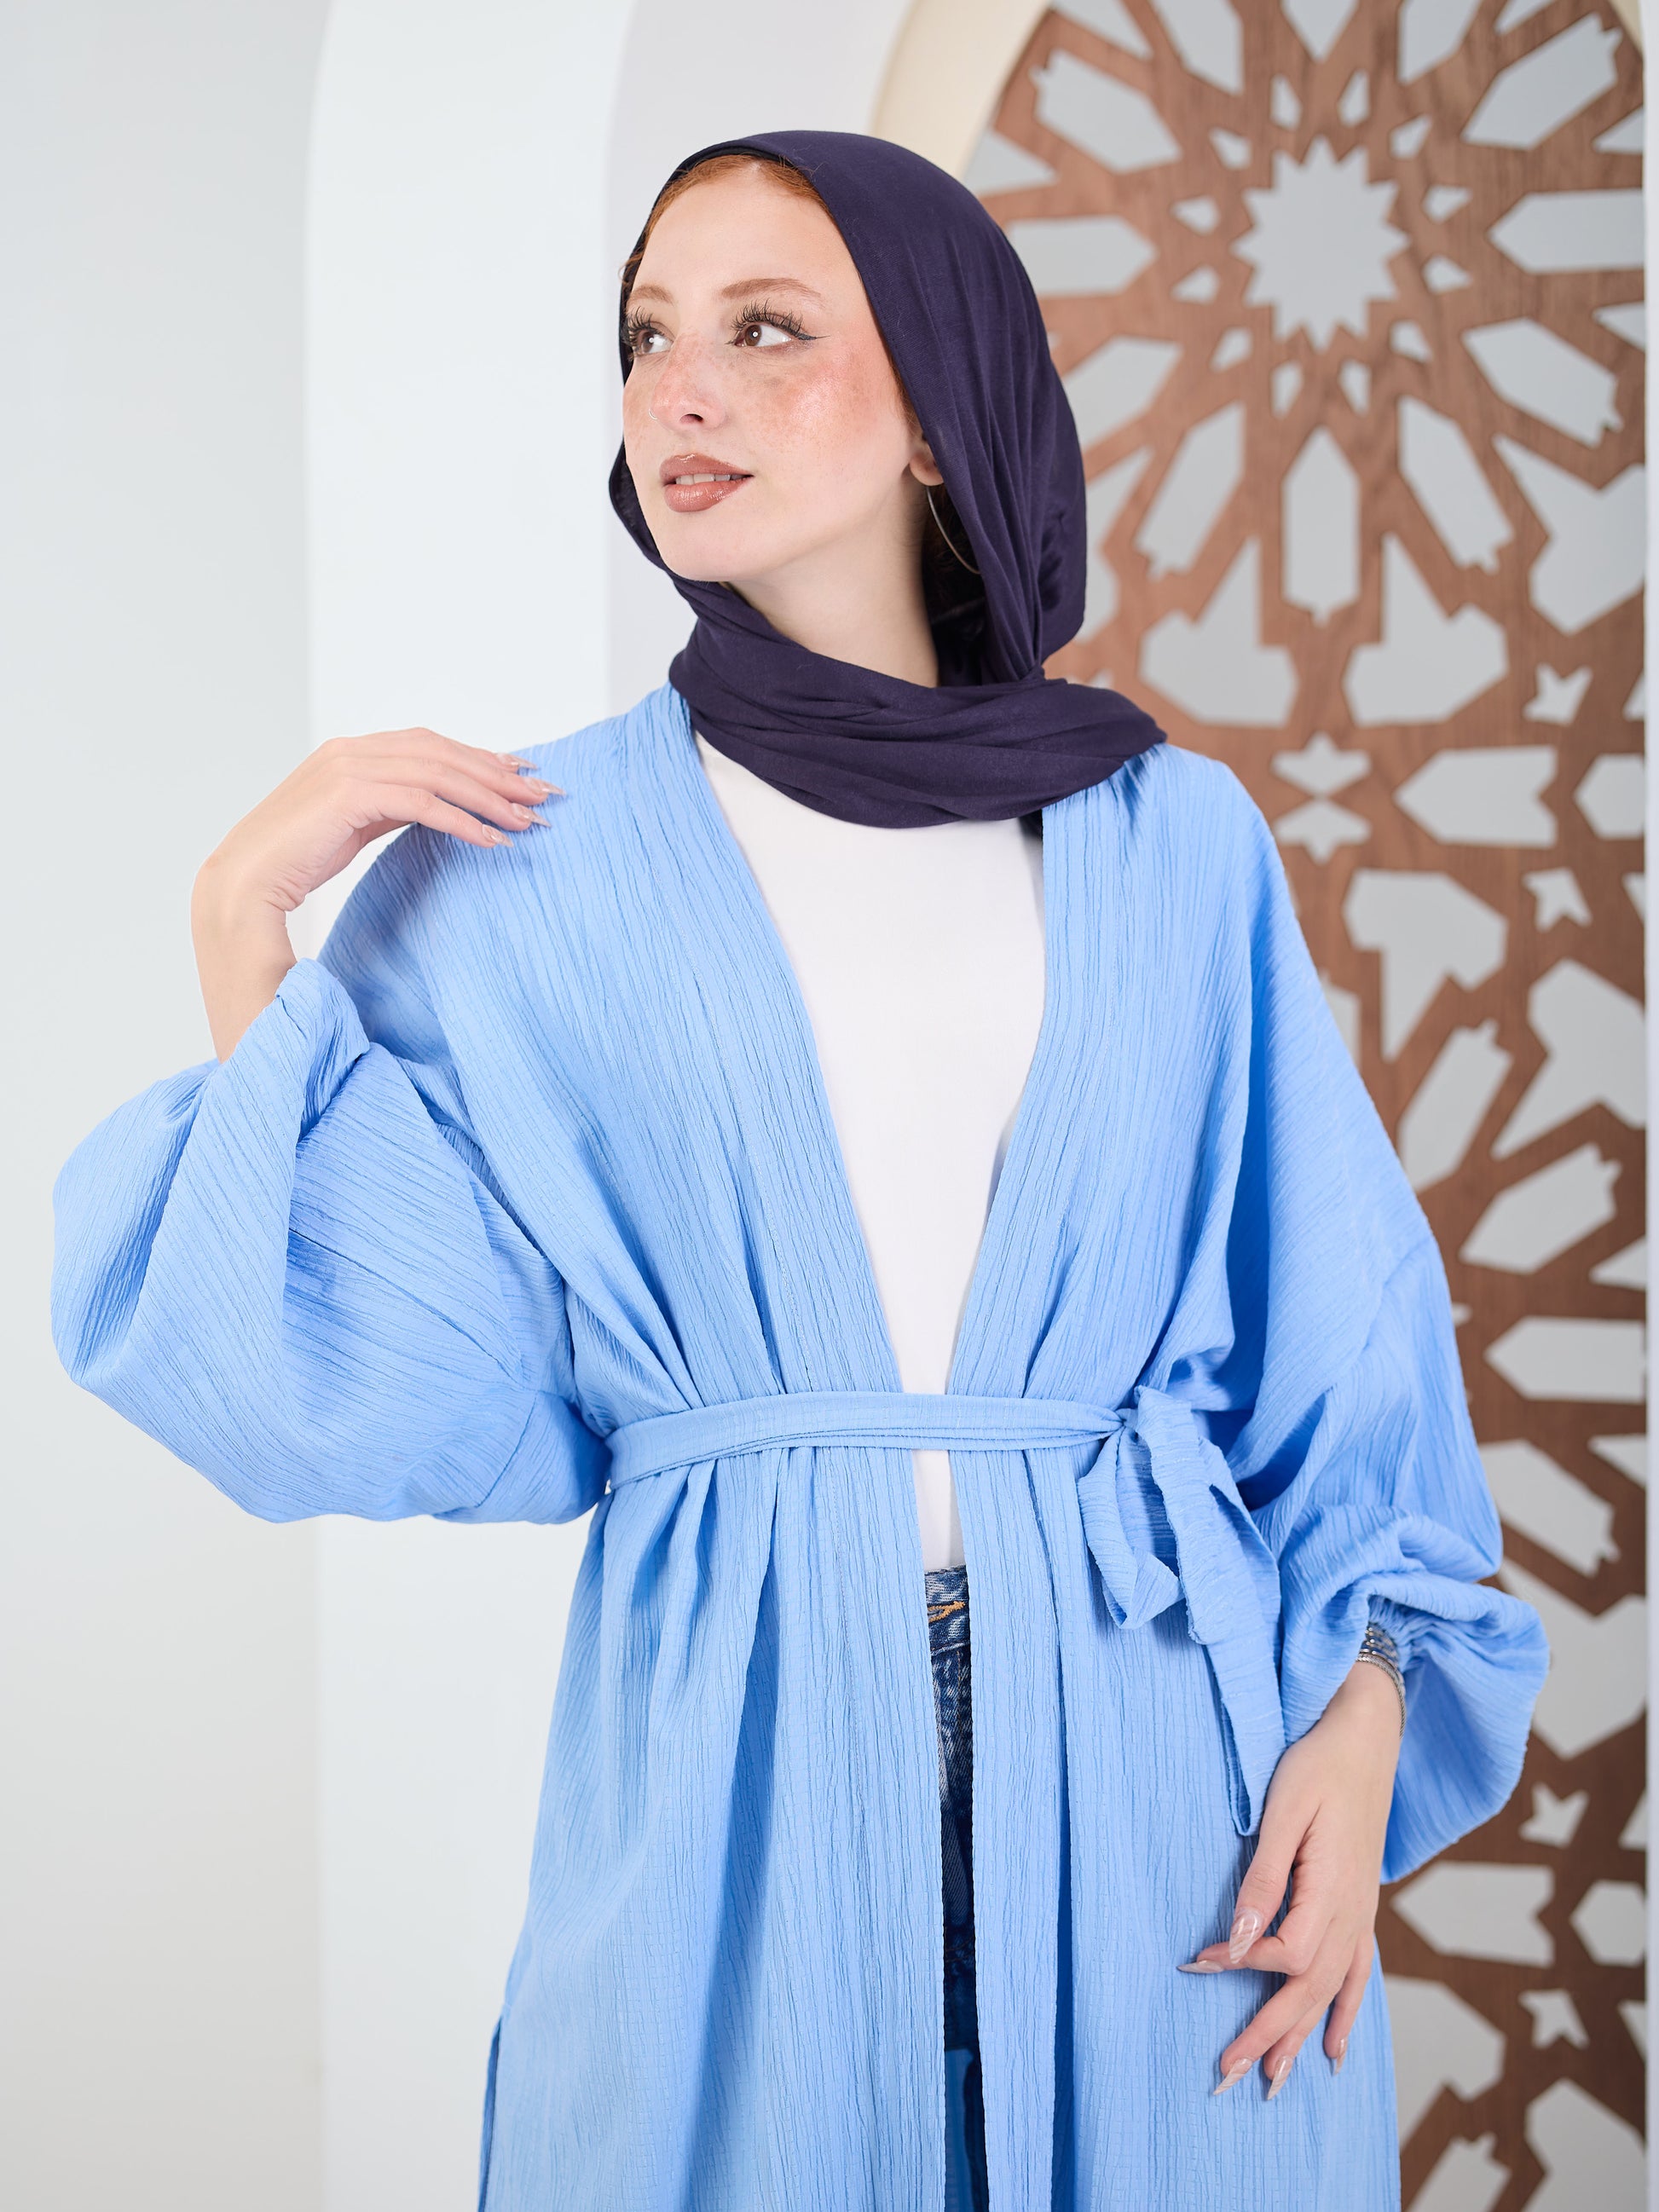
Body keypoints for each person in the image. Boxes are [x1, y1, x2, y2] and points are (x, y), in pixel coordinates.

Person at [52, 132, 1547, 2211]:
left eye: (765, 330)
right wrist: (243, 924)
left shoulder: (1170, 842)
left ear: (937, 410)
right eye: (647, 336)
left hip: (1161, 1756)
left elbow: (1339, 1335)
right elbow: (354, 1375)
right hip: (735, 1760)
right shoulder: (527, 863)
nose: (680, 389)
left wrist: (1368, 1707)